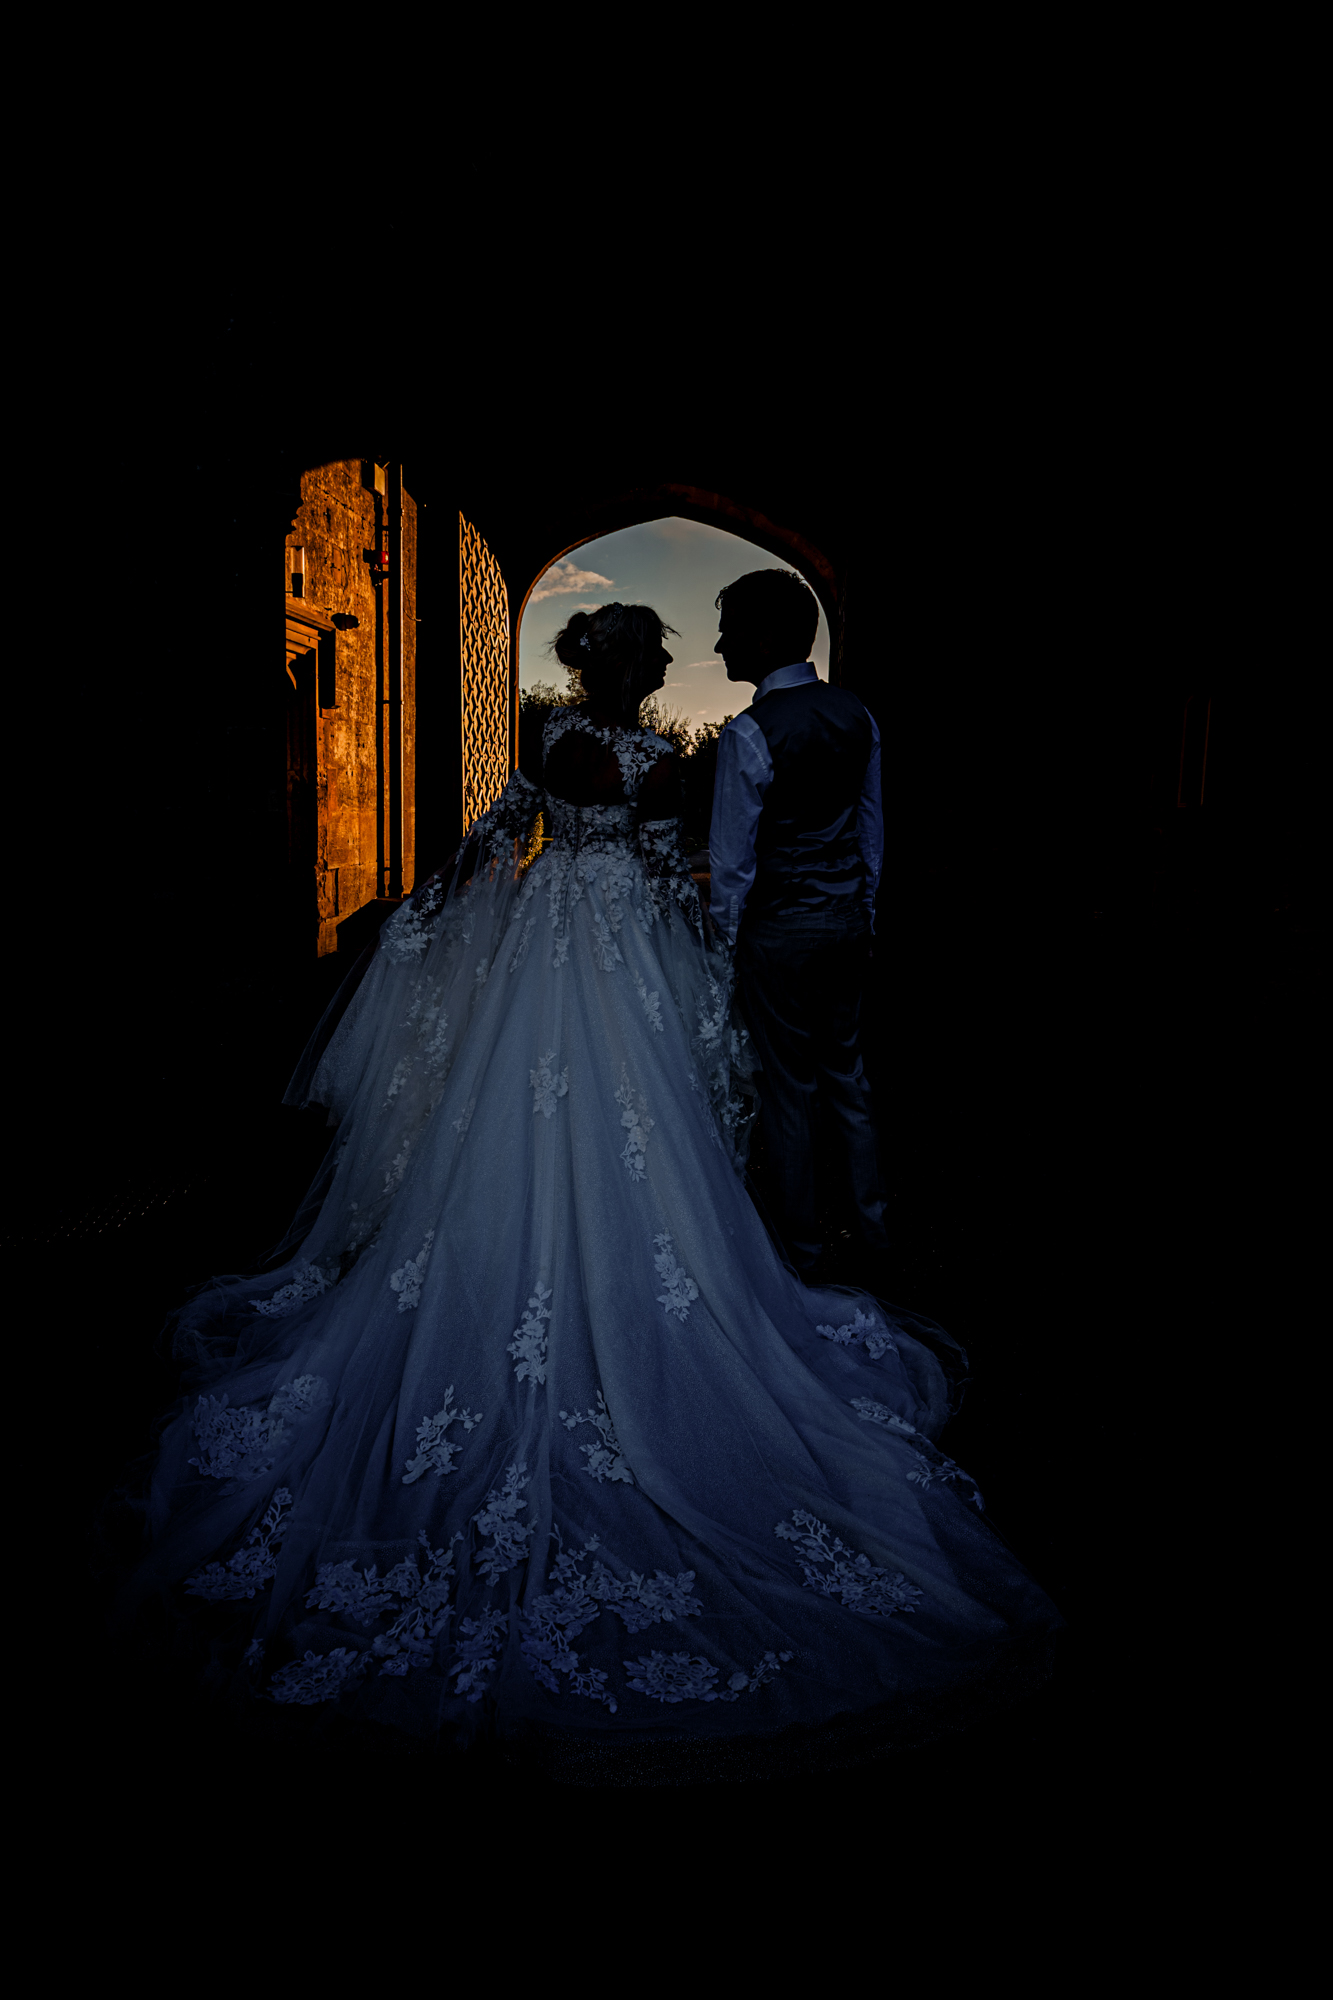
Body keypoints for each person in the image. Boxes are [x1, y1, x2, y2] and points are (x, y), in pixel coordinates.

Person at [122, 598, 1058, 1777]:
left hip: (545, 948)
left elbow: (495, 834)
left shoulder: (553, 741)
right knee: (643, 1134)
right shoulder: (659, 759)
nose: (649, 672)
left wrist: (429, 905)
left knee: (511, 1121)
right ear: (639, 671)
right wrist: (704, 958)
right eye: (649, 660)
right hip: (624, 957)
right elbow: (669, 871)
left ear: (583, 668)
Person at [709, 568, 886, 1282]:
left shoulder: (749, 731)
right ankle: (873, 1234)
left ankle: (803, 1249)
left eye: (727, 632)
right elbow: (871, 830)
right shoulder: (856, 713)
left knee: (788, 1088)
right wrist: (863, 913)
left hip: (778, 931)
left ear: (763, 638)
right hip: (845, 922)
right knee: (848, 1075)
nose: (719, 645)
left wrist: (724, 947)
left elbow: (732, 863)